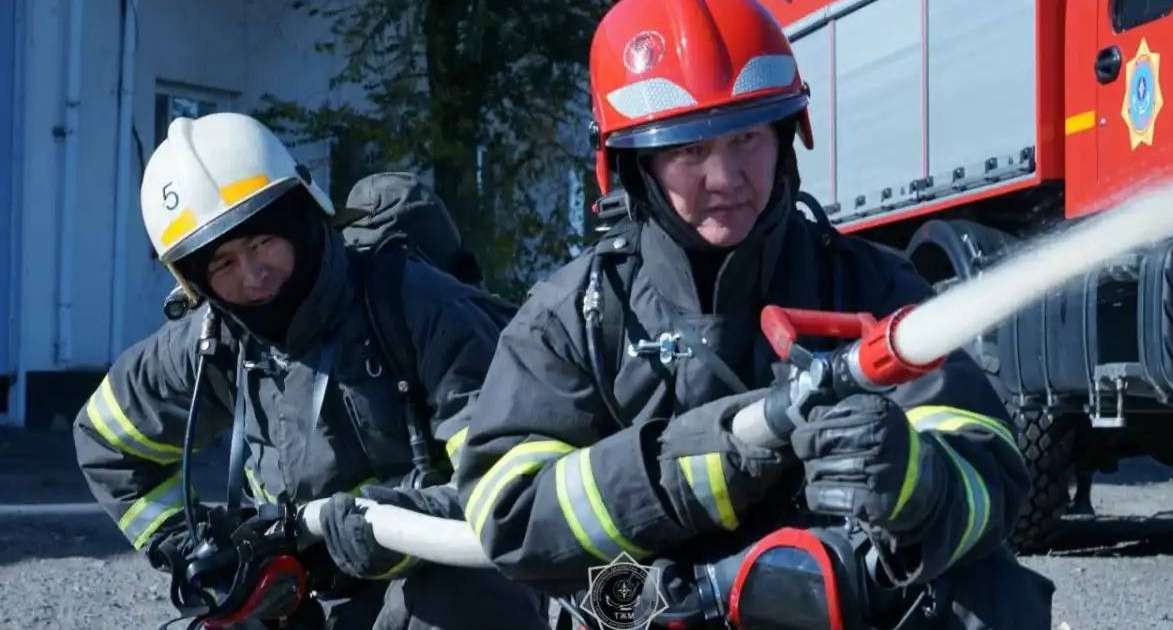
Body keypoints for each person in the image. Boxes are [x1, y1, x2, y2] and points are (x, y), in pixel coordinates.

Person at [455, 1, 1054, 627]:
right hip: (652, 602)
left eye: (746, 137)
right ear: (634, 164)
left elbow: (992, 469)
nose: (725, 177)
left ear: (785, 136)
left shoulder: (869, 285)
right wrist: (700, 463)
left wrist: (915, 482)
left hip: (840, 599)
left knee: (991, 590)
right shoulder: (572, 318)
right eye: (690, 148)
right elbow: (508, 512)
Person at [73, 112, 546, 629]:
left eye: (261, 243)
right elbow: (106, 442)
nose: (252, 276)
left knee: (461, 603)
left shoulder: (420, 307)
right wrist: (193, 546)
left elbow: (509, 489)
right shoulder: (212, 343)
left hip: (434, 580)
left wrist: (394, 527)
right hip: (307, 598)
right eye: (223, 264)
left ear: (301, 218)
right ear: (195, 283)